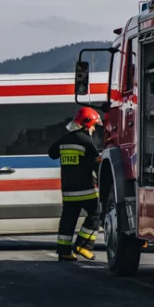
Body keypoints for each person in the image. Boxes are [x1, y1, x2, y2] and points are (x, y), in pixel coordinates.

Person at [48, 107, 101, 262]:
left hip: (68, 190)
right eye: (93, 125)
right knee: (96, 214)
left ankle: (64, 252)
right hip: (86, 190)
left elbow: (52, 153)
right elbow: (96, 166)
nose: (94, 129)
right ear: (87, 124)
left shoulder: (65, 140)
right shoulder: (87, 142)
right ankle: (83, 246)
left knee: (68, 220)